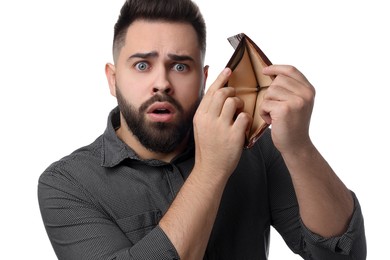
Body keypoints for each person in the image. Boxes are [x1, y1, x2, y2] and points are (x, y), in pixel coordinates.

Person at [37, 0, 366, 259]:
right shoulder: (67, 183)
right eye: (141, 65)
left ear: (205, 79)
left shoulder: (257, 149)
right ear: (112, 79)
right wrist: (212, 168)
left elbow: (344, 256)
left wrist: (298, 146)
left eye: (180, 65)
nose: (162, 83)